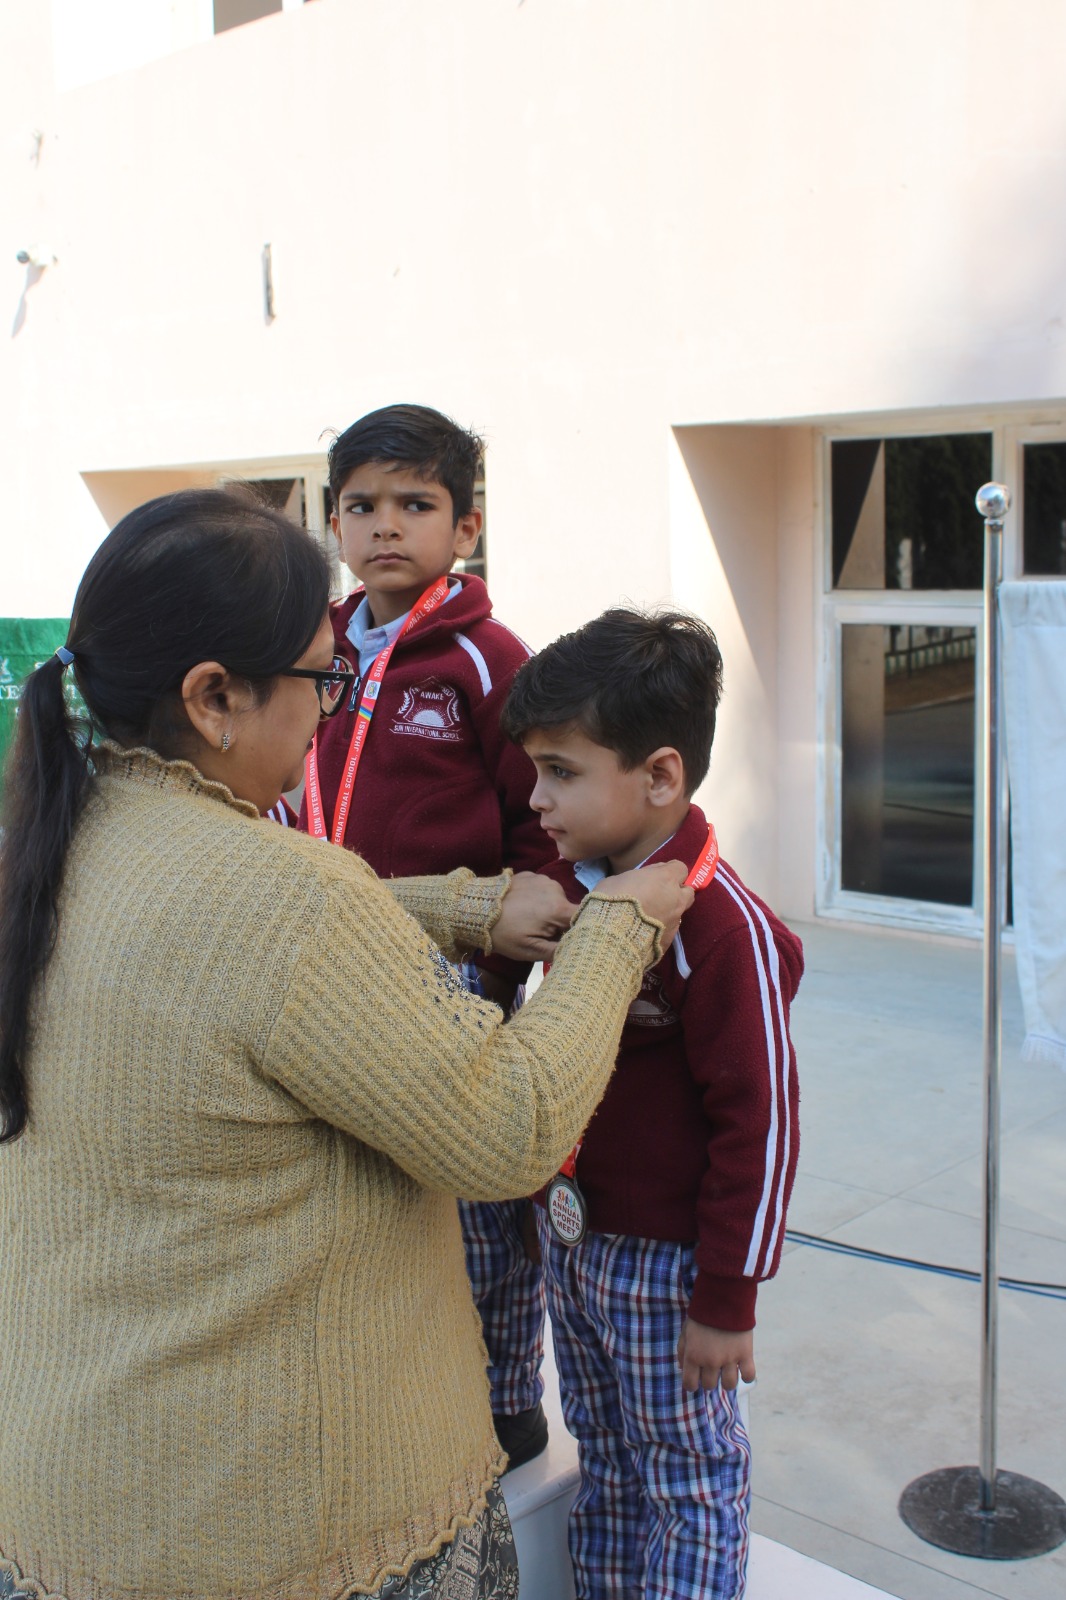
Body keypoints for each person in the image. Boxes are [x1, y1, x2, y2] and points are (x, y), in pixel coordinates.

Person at [0, 490, 694, 1600]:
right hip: (290, 1527)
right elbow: (509, 1126)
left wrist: (465, 907)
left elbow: (238, 952)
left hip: (72, 1498)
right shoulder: (287, 894)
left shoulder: (52, 844)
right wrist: (621, 927)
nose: (331, 712)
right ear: (214, 699)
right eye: (322, 682)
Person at [501, 608, 804, 1600]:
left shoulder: (722, 929)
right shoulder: (573, 891)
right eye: (534, 770)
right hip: (574, 1246)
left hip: (668, 1270)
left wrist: (727, 1298)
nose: (536, 799)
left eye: (560, 771)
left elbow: (762, 1125)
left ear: (661, 775)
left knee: (686, 1474)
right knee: (606, 1456)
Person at [281, 403, 556, 1470]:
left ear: (465, 527)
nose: (385, 525)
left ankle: (504, 1397)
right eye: (361, 505)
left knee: (475, 1196)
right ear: (333, 523)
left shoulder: (488, 659)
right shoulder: (312, 649)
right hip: (326, 956)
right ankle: (391, 1384)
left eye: (415, 503)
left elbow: (538, 821)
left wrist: (502, 961)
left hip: (449, 973)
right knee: (360, 1187)